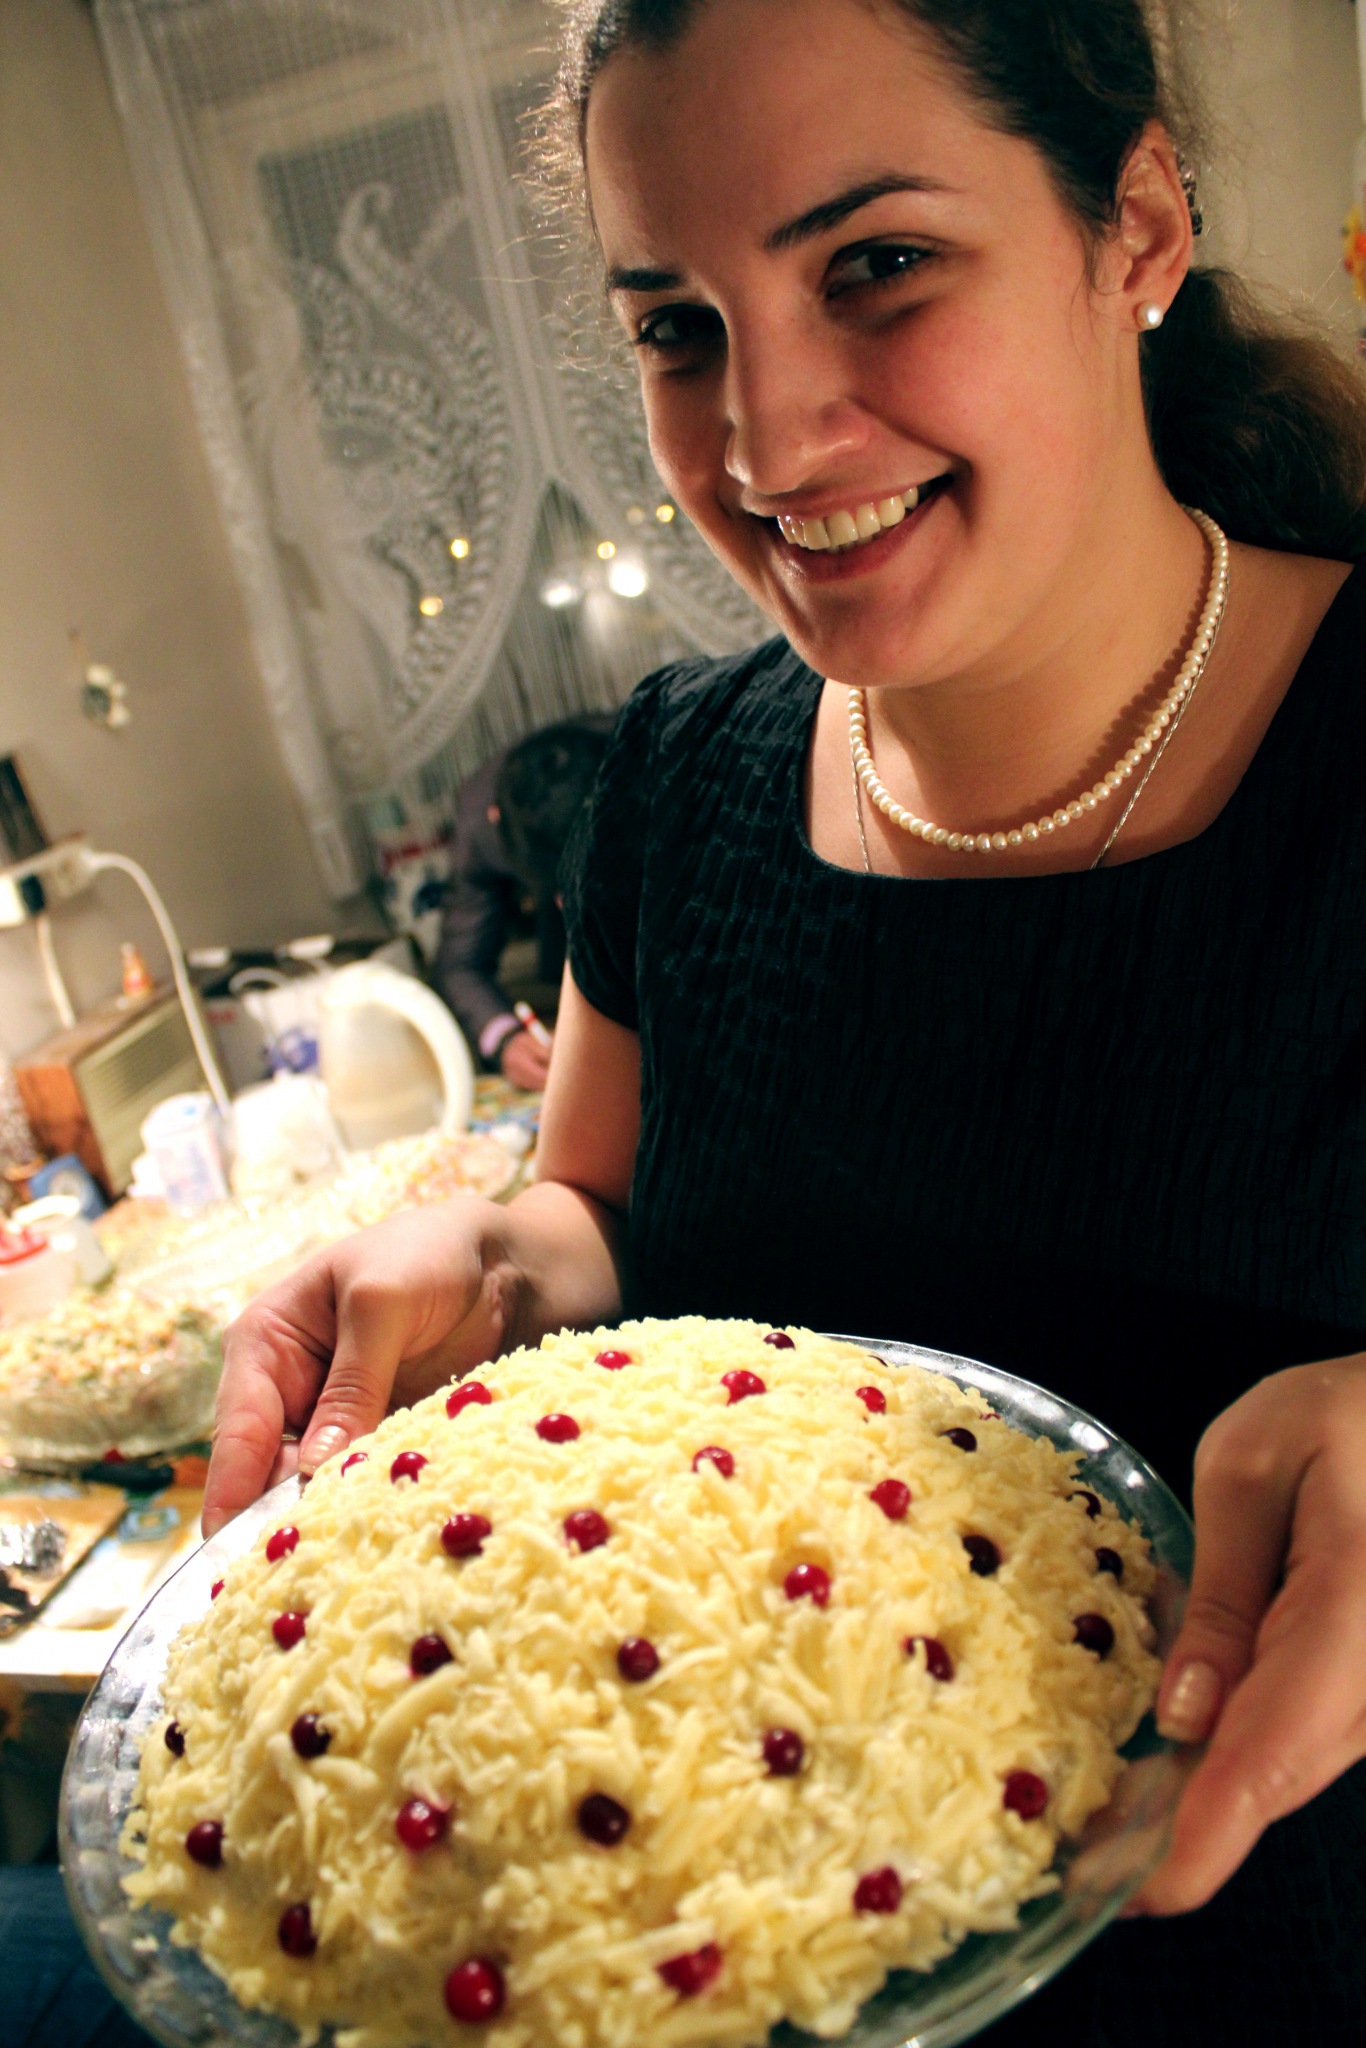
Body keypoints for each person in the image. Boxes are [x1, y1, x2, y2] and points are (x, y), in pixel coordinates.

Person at [202, 2, 1366, 2043]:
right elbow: (606, 1214)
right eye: (676, 326)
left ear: (1136, 225)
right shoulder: (676, 777)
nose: (760, 438)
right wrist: (490, 1253)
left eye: (876, 265)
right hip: (726, 1964)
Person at [434, 716, 612, 1090]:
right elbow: (461, 965)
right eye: (562, 895)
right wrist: (505, 1039)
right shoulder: (480, 825)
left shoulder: (675, 759)